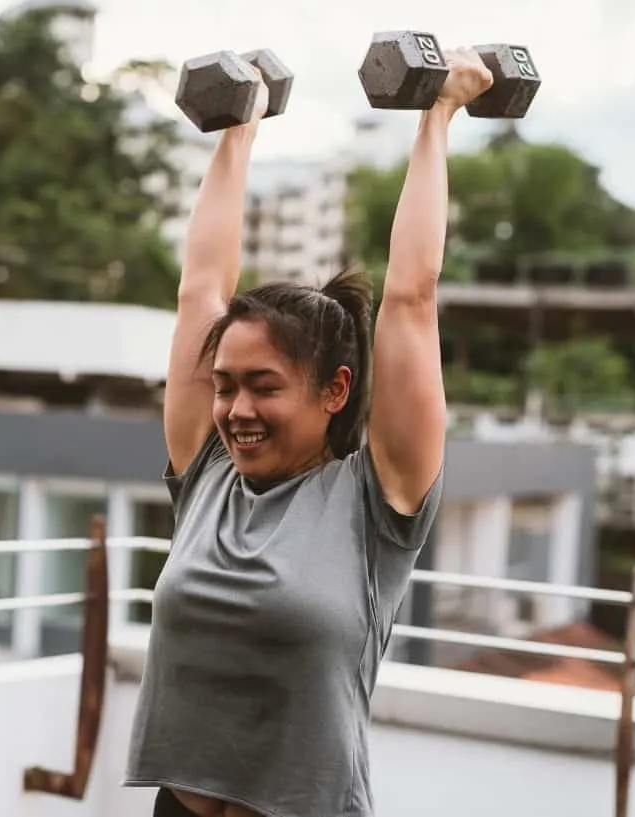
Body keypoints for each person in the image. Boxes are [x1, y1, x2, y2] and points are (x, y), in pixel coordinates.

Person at [125, 46, 495, 817]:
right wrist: (240, 129)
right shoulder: (208, 473)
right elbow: (201, 289)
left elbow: (412, 300)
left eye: (264, 386)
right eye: (224, 385)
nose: (235, 409)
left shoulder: (376, 499)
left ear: (336, 390)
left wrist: (438, 118)